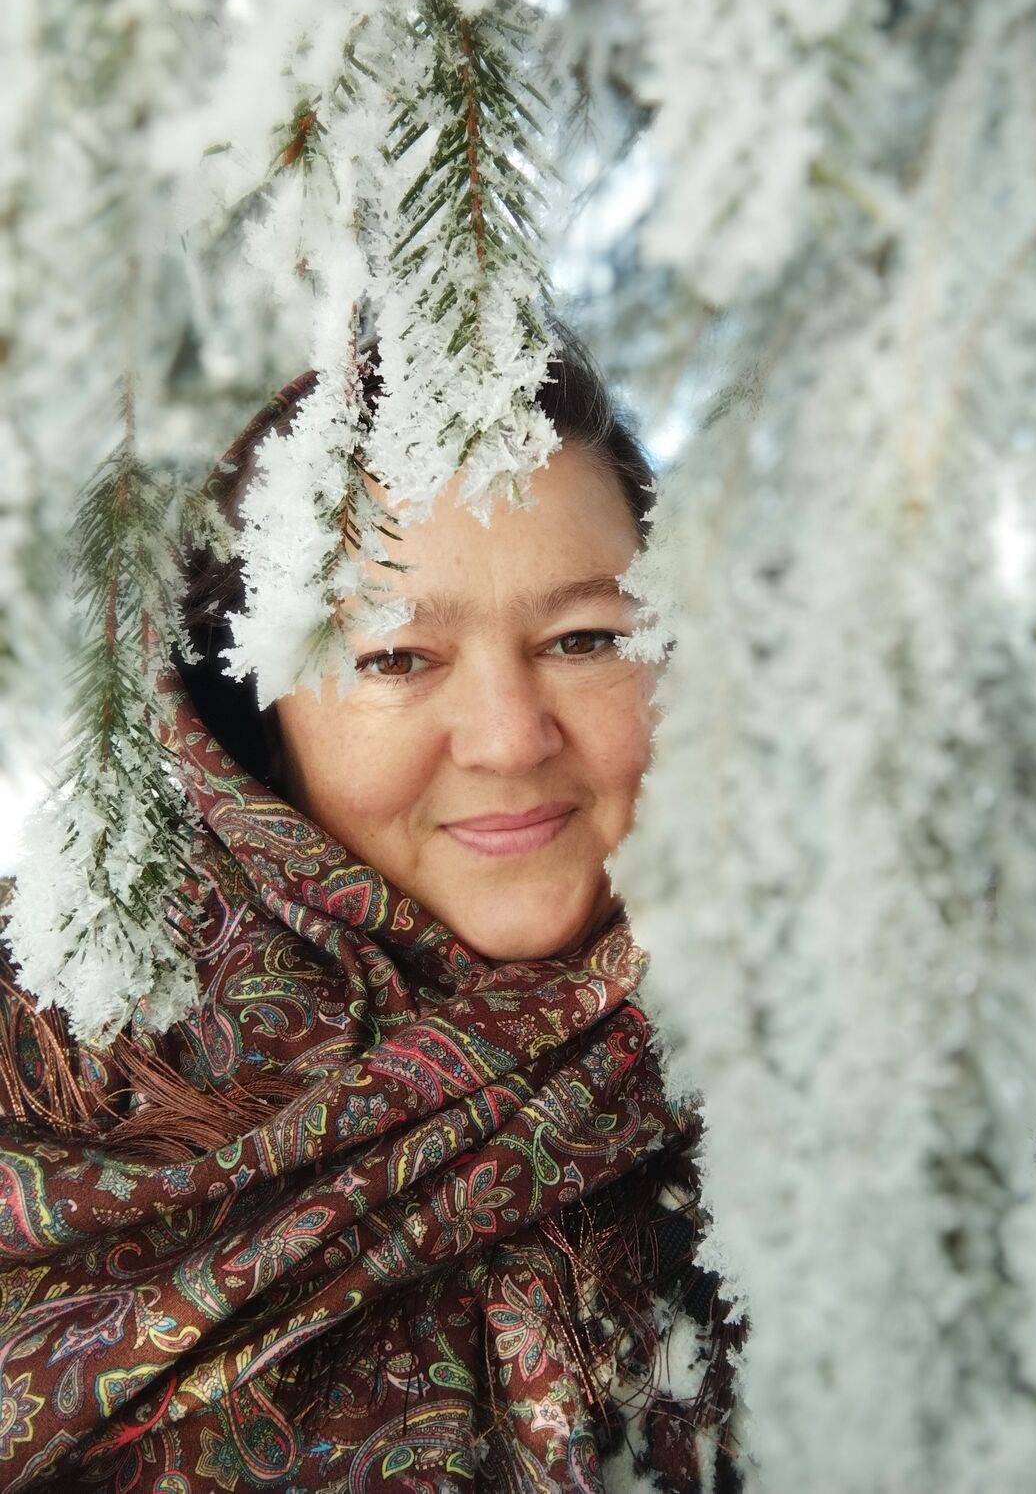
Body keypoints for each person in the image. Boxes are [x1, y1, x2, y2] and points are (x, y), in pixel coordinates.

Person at [0, 324, 749, 1491]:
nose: (509, 739)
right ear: (250, 709)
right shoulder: (45, 1053)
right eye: (395, 657)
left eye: (585, 639)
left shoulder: (838, 1088)